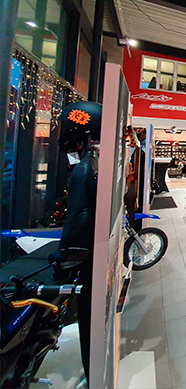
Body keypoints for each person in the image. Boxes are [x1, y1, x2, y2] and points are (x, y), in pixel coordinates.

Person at [54, 101, 103, 382]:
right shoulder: (89, 166)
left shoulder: (84, 168)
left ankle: (93, 372)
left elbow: (79, 217)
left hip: (85, 256)